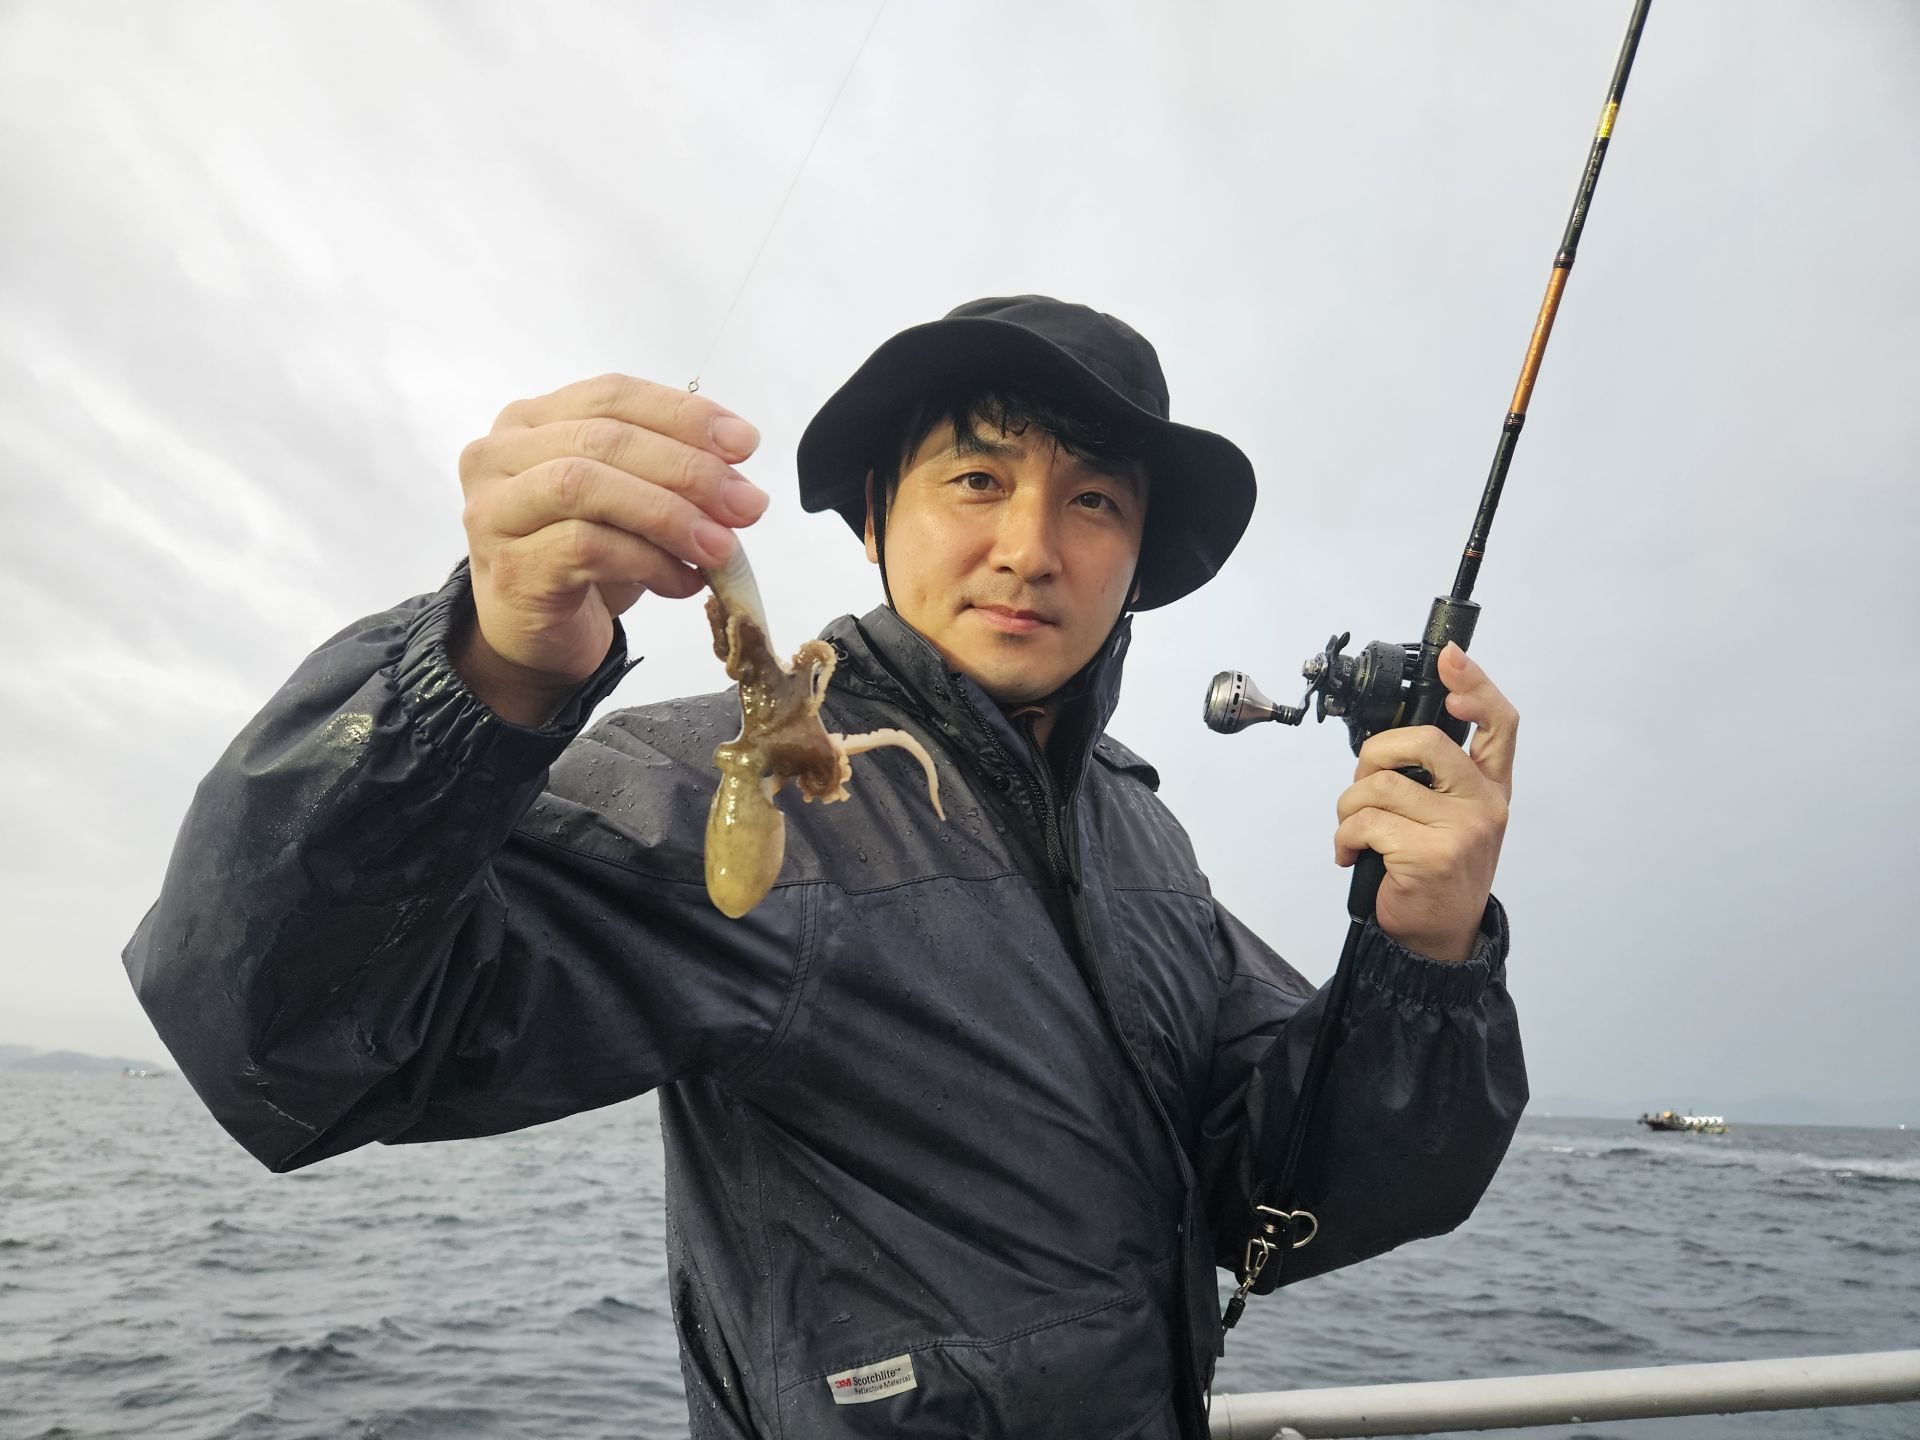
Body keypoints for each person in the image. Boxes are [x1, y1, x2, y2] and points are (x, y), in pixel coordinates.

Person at [125, 296, 1525, 1439]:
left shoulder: (1142, 837)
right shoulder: (702, 780)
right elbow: (283, 1038)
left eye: (1094, 499)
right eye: (976, 479)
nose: (1031, 547)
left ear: (1135, 559)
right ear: (873, 516)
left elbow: (1278, 1203)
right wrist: (480, 671)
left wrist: (1425, 954)